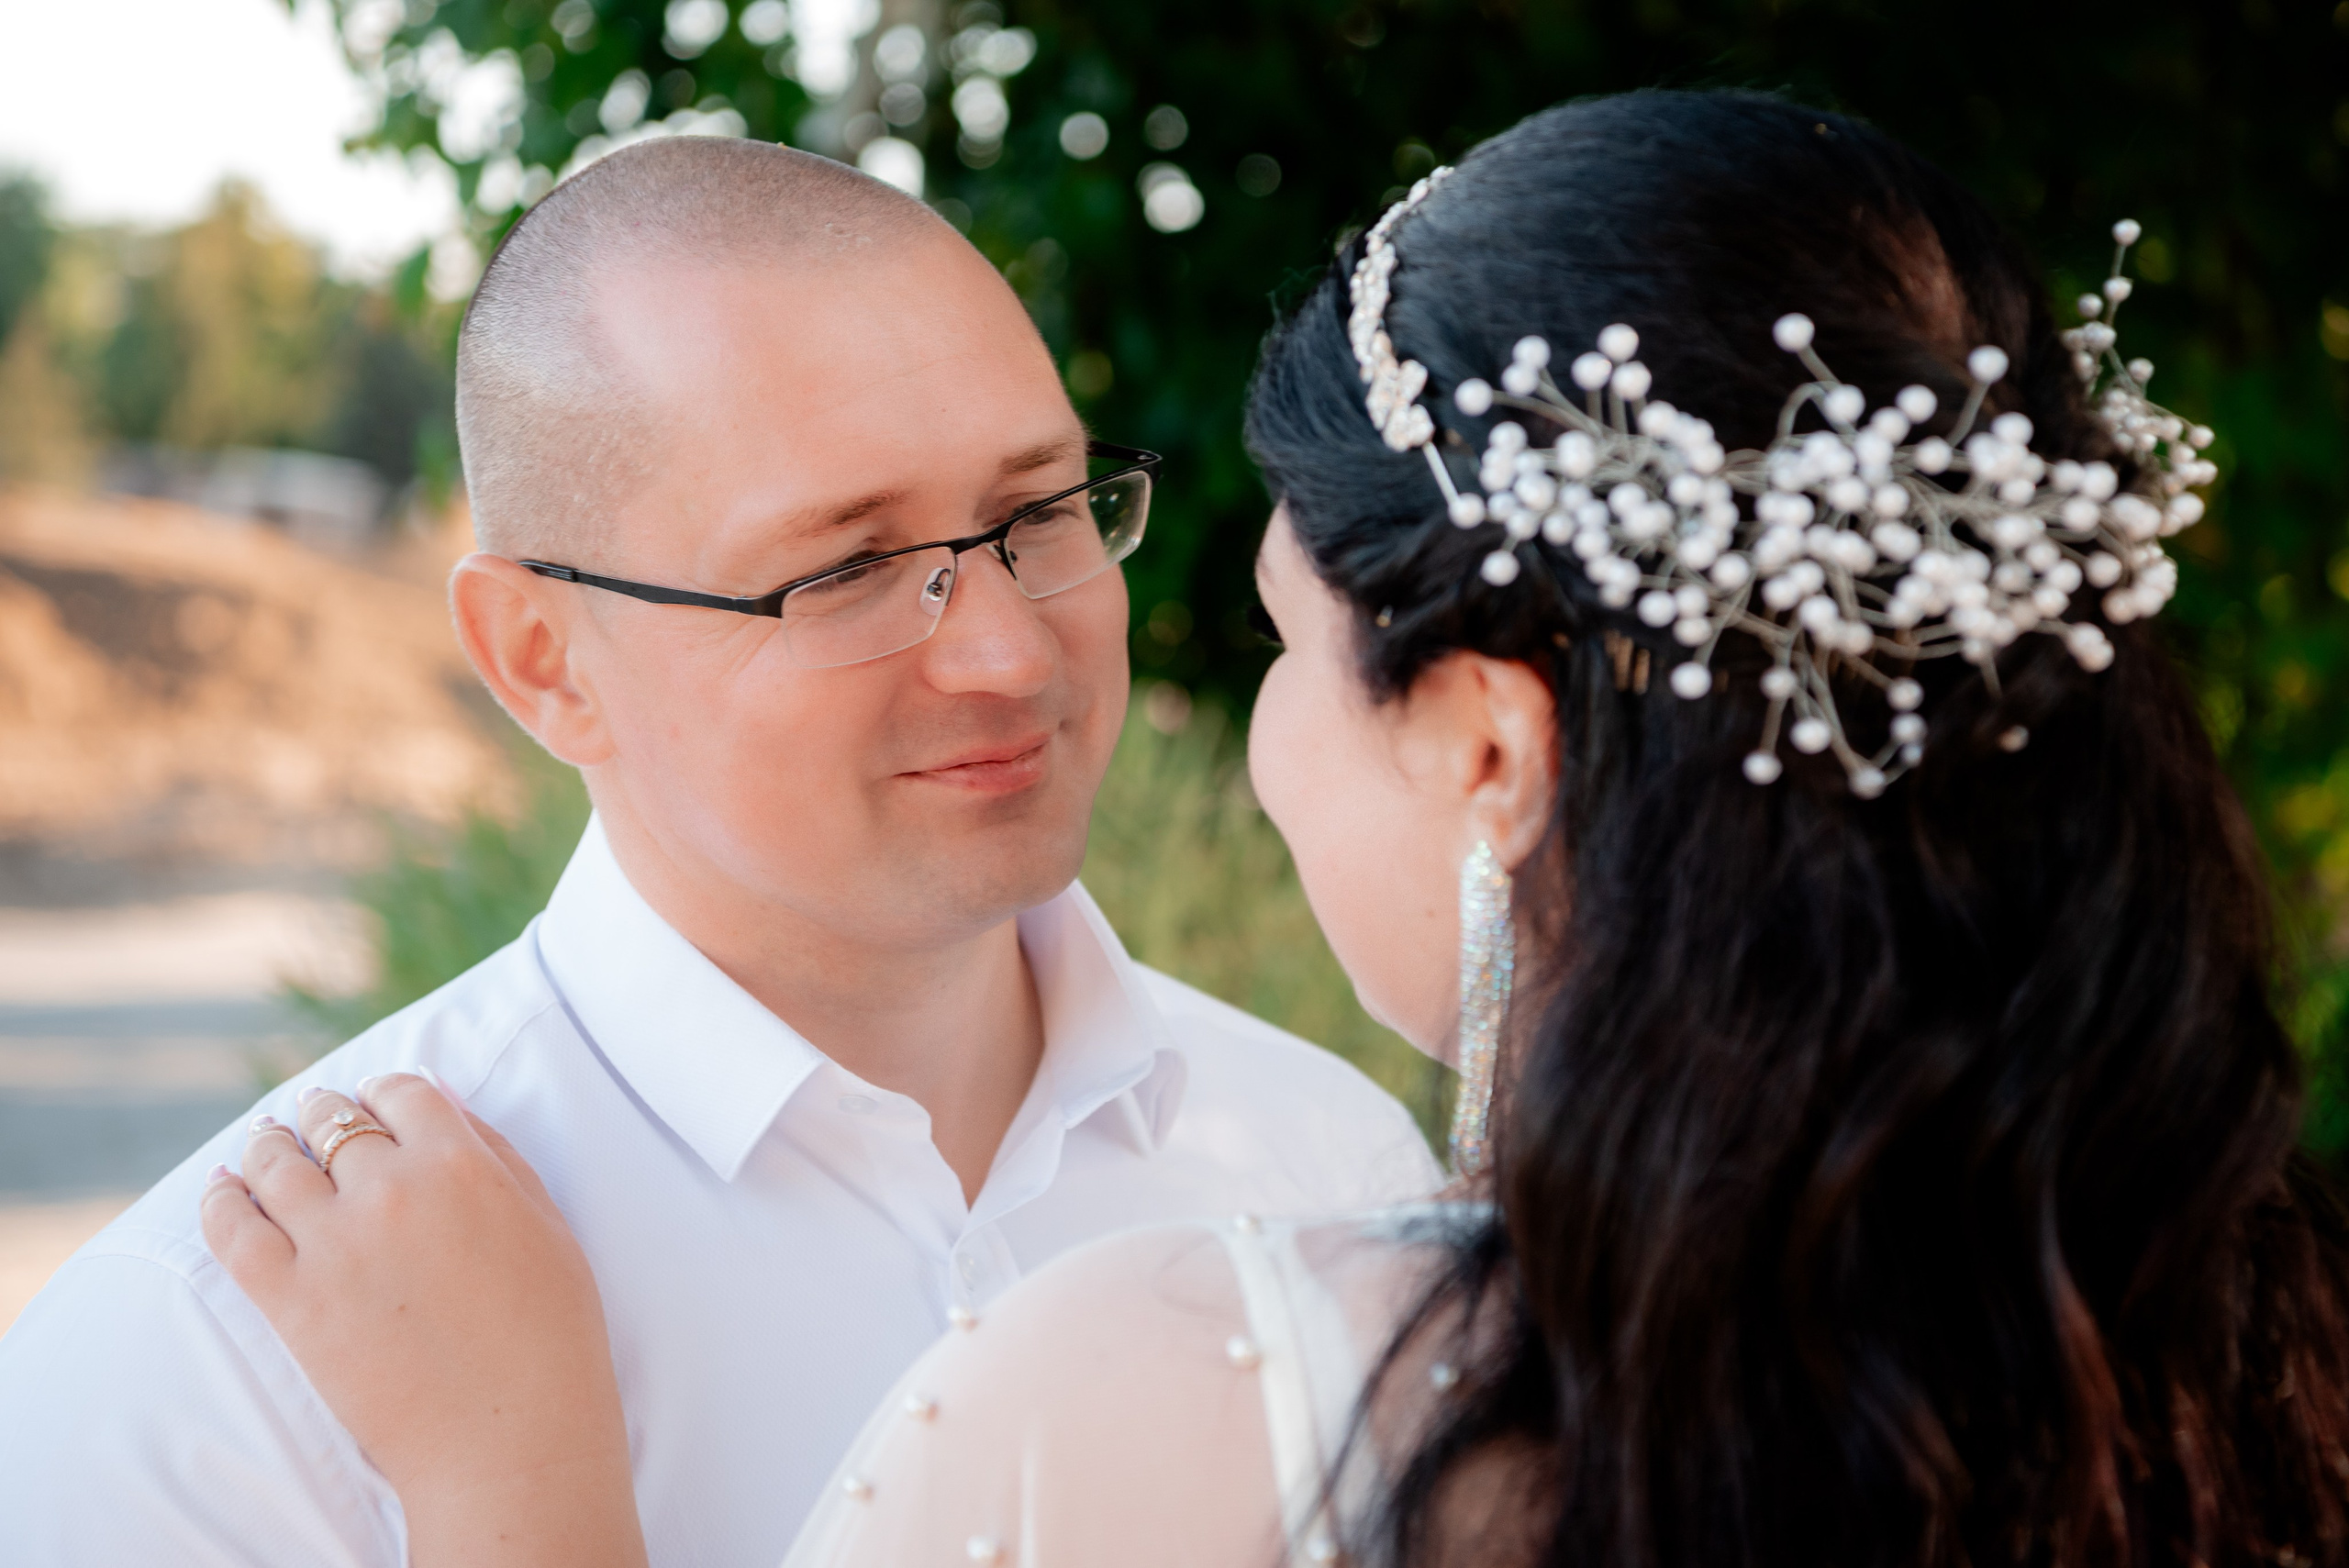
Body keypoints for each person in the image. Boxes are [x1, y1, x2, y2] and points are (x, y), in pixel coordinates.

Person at [205, 89, 2349, 1568]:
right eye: (846, 566)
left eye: (1283, 655)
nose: (1016, 658)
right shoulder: (2252, 1366)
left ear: (1487, 746)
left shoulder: (1208, 1345)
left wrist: (518, 1502)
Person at [0, 137, 1442, 1567]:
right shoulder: (203, 1372)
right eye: (847, 569)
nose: (1008, 651)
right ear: (544, 659)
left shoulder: (1335, 1164)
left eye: (1039, 513)